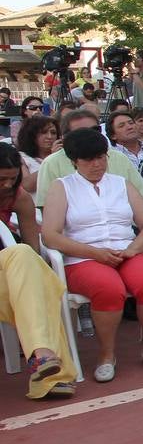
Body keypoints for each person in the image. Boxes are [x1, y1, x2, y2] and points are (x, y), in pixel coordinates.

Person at [39, 128, 143, 382]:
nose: (97, 164)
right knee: (108, 289)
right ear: (74, 161)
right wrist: (95, 253)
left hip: (125, 251)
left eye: (101, 157)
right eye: (89, 159)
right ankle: (106, 355)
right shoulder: (62, 187)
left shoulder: (121, 184)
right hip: (84, 257)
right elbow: (51, 235)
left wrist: (133, 249)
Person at [0, 144, 79, 399]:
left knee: (31, 266)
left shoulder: (18, 197)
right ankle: (48, 372)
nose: (7, 185)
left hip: (7, 272)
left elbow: (33, 249)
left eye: (13, 179)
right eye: (1, 179)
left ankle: (43, 355)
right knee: (35, 280)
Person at [35, 108, 143, 219]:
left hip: (126, 231)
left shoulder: (118, 158)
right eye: (83, 131)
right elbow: (48, 215)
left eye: (95, 129)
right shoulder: (52, 164)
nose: (90, 135)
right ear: (66, 137)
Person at [15, 113, 59, 193]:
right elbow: (27, 186)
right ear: (31, 135)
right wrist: (51, 159)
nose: (49, 137)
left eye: (53, 133)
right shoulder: (21, 157)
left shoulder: (63, 156)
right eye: (43, 132)